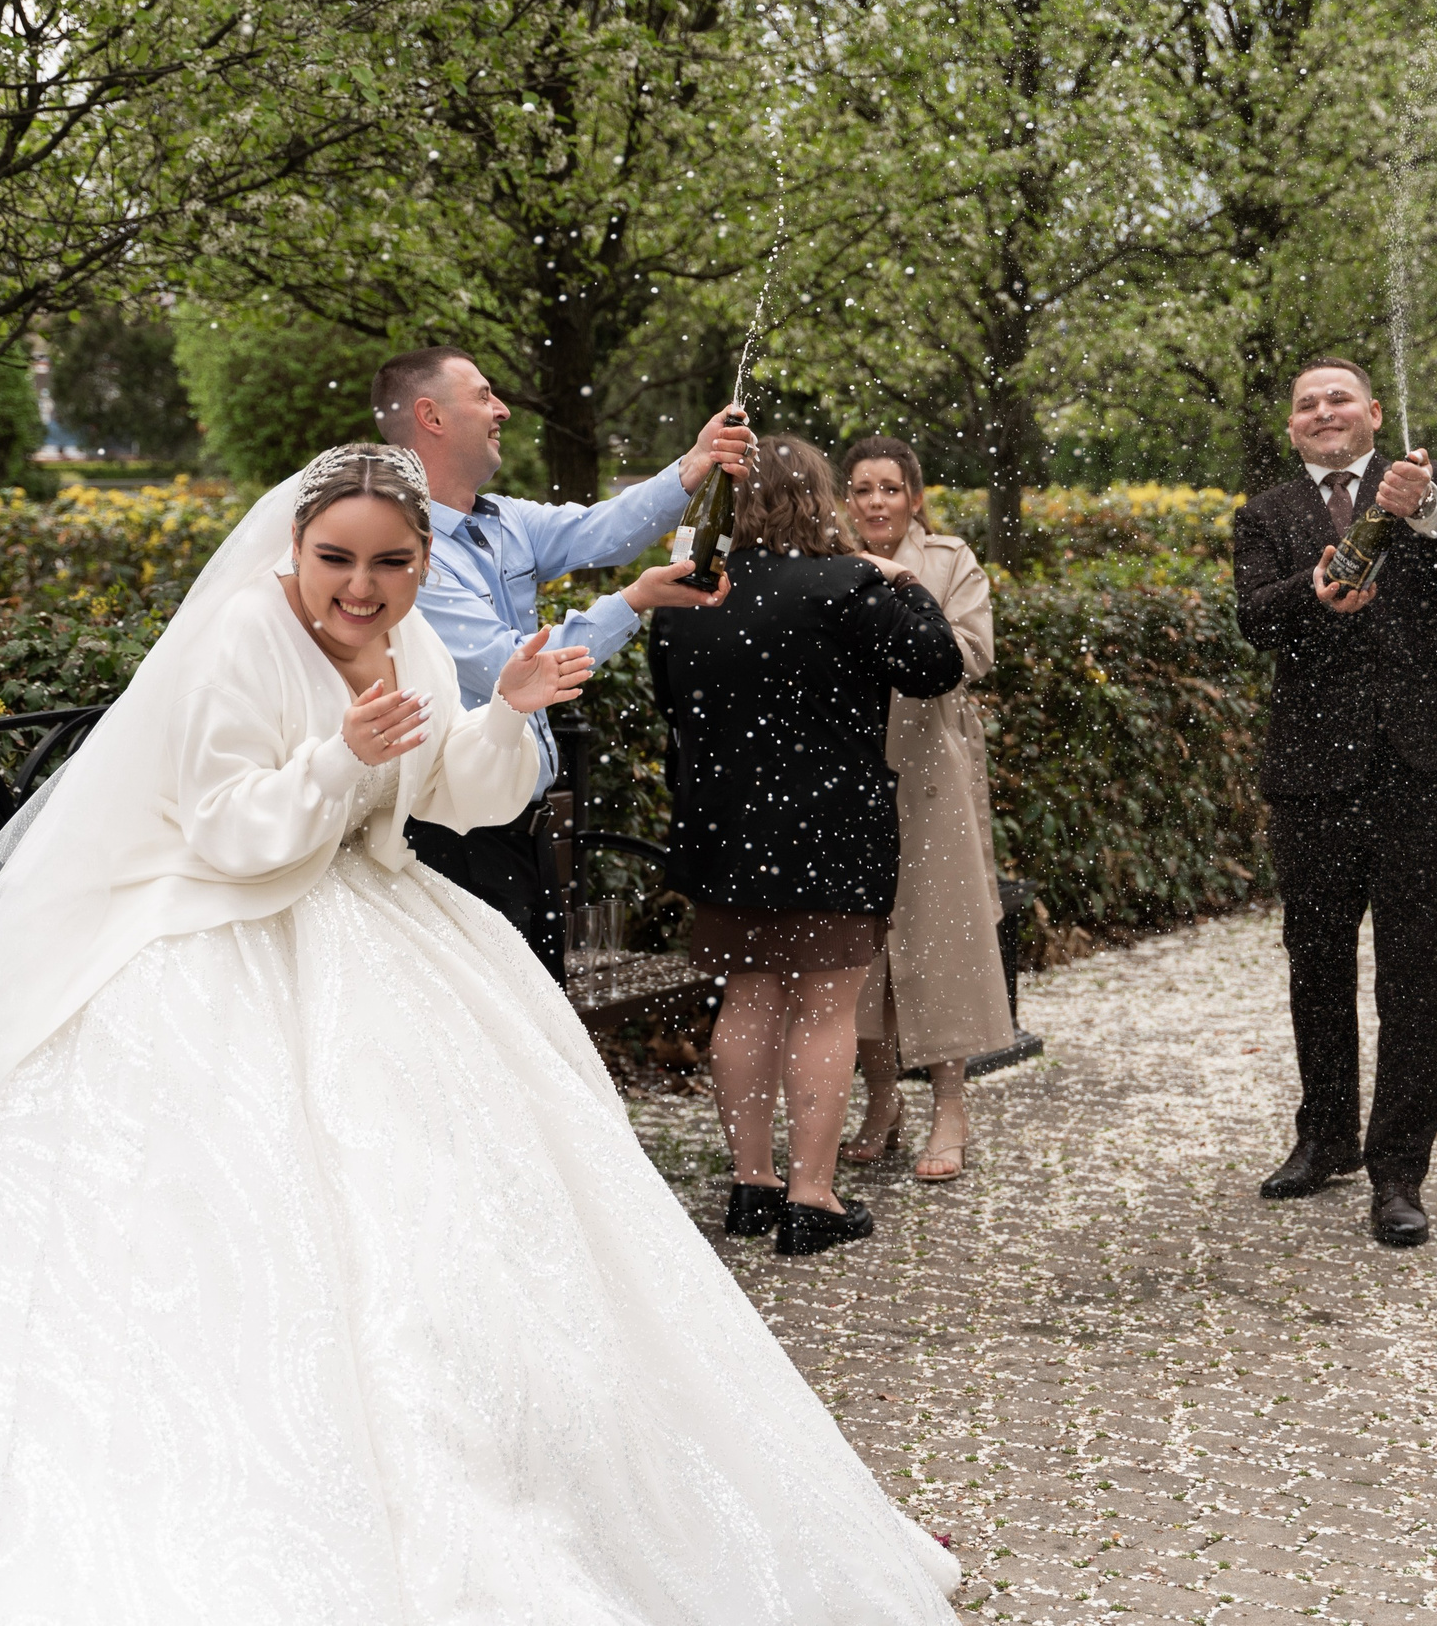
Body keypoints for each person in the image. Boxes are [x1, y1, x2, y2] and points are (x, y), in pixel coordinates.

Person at [0, 444, 962, 1620]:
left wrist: (507, 706)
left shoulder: (418, 640)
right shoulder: (234, 643)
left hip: (374, 921)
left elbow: (462, 791)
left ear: (421, 561)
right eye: (338, 558)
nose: (363, 587)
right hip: (210, 944)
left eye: (392, 561)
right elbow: (226, 829)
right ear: (296, 550)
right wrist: (339, 756)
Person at [649, 436, 966, 1256]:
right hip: (828, 834)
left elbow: (669, 706)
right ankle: (811, 1197)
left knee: (748, 999)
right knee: (823, 1011)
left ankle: (751, 1185)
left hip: (725, 834)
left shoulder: (690, 594)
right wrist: (906, 583)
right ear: (816, 499)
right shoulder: (846, 586)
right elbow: (936, 665)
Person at [1231, 357, 1437, 1248]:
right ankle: (1325, 1137)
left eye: (1338, 397)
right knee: (1316, 965)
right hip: (1315, 775)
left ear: (1372, 412)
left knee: (1416, 976)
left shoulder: (1427, 484)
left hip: (1422, 766)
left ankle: (1399, 1172)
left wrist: (1421, 504)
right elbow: (1254, 618)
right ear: (1292, 427)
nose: (1323, 410)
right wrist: (1313, 597)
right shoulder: (1267, 515)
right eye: (1307, 402)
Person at [372, 345, 753, 977]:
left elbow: (603, 530)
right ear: (430, 416)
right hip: (452, 834)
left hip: (525, 829)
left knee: (538, 1029)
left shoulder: (503, 520)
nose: (502, 410)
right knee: (492, 1034)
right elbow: (514, 669)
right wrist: (636, 600)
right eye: (483, 395)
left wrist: (695, 463)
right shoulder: (402, 549)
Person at [836, 435, 1016, 1183]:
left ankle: (950, 1106)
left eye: (889, 487)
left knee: (940, 935)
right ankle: (881, 1101)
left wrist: (900, 596)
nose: (876, 501)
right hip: (845, 772)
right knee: (860, 948)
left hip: (930, 767)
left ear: (914, 495)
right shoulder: (823, 559)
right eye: (862, 488)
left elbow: (972, 654)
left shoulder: (949, 560)